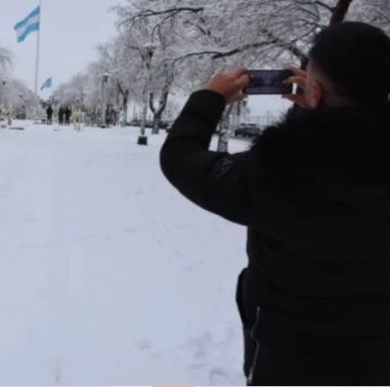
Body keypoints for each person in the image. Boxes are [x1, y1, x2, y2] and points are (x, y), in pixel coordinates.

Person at [160, 21, 390, 386]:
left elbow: (180, 159)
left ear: (312, 91)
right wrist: (317, 108)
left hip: (289, 361)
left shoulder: (280, 170)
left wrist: (210, 99)